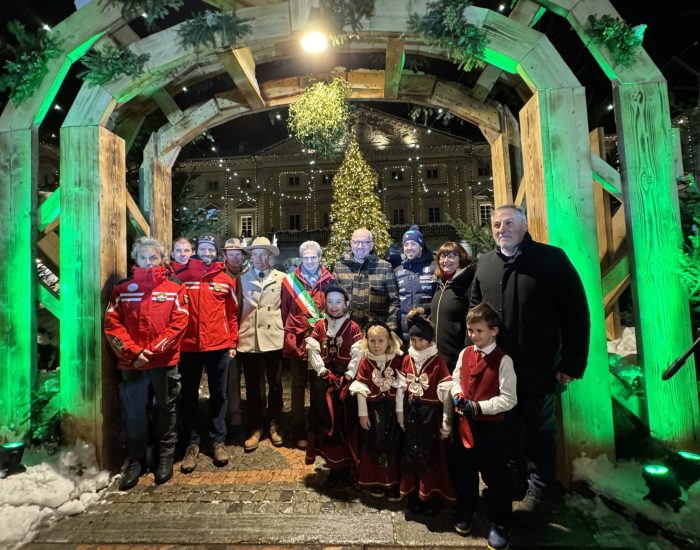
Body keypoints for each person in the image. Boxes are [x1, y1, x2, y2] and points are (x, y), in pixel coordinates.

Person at [470, 204, 590, 520]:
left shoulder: (552, 260)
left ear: (524, 225)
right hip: (499, 371)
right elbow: (475, 308)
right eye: (496, 224)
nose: (501, 229)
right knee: (506, 431)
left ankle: (540, 491)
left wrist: (572, 362)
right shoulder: (485, 264)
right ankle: (514, 484)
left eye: (508, 223)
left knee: (539, 432)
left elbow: (576, 314)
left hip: (539, 367)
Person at [103, 237, 189, 490]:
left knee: (166, 409)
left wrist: (152, 351)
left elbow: (179, 324)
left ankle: (165, 456)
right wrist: (132, 352)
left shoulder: (175, 287)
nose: (148, 262)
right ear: (135, 259)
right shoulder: (122, 289)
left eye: (153, 257)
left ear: (162, 259)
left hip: (163, 361)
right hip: (132, 364)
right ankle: (137, 458)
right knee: (135, 412)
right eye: (143, 257)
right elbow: (112, 323)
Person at [450, 303, 517, 550]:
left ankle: (500, 522)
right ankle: (466, 508)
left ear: (494, 331)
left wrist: (478, 408)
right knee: (464, 470)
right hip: (465, 426)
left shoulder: (503, 361)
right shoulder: (465, 354)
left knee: (496, 476)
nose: (473, 335)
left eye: (479, 330)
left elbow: (509, 398)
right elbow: (456, 378)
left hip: (490, 429)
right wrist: (457, 394)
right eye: (470, 330)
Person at [179, 235, 238, 473]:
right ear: (196, 251)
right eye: (202, 249)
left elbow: (232, 313)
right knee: (189, 396)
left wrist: (232, 342)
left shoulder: (226, 280)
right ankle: (191, 443)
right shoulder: (183, 278)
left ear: (216, 253)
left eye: (210, 249)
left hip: (218, 346)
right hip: (189, 347)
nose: (206, 253)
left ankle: (217, 440)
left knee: (219, 395)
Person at [396, 307, 455, 514]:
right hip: (412, 415)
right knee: (411, 455)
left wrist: (447, 420)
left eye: (421, 340)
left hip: (431, 417)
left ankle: (429, 495)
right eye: (413, 340)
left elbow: (447, 392)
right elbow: (401, 390)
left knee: (431, 457)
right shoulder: (406, 359)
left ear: (429, 340)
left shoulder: (438, 361)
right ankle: (413, 494)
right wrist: (400, 414)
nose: (417, 344)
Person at [305, 282, 363, 487]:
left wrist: (348, 376)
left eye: (338, 301)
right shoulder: (320, 326)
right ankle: (332, 465)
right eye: (330, 301)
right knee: (325, 422)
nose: (334, 305)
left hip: (345, 383)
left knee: (344, 424)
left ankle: (346, 467)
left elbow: (357, 355)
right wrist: (323, 372)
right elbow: (313, 350)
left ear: (346, 304)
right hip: (325, 381)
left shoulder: (353, 327)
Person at [281, 240, 335, 450]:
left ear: (320, 258)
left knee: (318, 387)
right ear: (301, 258)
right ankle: (298, 429)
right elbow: (284, 311)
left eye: (314, 257)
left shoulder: (329, 280)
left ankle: (315, 429)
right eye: (306, 257)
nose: (310, 261)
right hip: (298, 340)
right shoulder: (289, 282)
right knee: (297, 386)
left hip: (320, 343)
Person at [237, 236, 286, 452]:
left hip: (273, 337)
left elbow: (286, 307)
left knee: (275, 386)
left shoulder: (282, 278)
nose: (258, 258)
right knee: (253, 387)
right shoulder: (241, 278)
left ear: (269, 256)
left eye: (262, 254)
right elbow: (236, 308)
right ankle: (255, 427)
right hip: (249, 338)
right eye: (255, 254)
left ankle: (275, 425)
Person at [349, 321, 403, 500]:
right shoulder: (366, 361)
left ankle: (393, 483)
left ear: (388, 341)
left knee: (393, 446)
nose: (376, 345)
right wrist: (362, 414)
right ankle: (376, 481)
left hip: (392, 411)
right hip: (373, 411)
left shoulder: (396, 360)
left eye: (380, 340)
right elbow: (360, 388)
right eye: (372, 341)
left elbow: (402, 387)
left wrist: (400, 411)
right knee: (374, 445)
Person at [333, 228, 400, 331]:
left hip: (377, 332)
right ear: (351, 243)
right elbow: (333, 300)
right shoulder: (340, 267)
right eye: (356, 242)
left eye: (365, 242)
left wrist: (390, 329)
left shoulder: (384, 267)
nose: (360, 246)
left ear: (371, 245)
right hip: (347, 331)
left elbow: (394, 302)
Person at [430, 241, 475, 371]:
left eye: (451, 256)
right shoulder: (440, 285)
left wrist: (467, 353)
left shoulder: (467, 284)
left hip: (458, 358)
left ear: (461, 258)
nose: (446, 260)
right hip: (438, 357)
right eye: (442, 256)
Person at [222, 237, 248, 440]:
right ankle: (235, 416)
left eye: (239, 253)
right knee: (231, 377)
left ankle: (256, 415)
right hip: (228, 333)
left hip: (248, 332)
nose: (236, 257)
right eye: (231, 253)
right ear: (225, 256)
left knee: (254, 377)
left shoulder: (249, 274)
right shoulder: (220, 277)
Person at [394, 225, 436, 345]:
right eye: (406, 244)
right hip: (404, 335)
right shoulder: (397, 271)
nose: (409, 248)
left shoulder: (433, 268)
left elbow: (438, 300)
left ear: (421, 246)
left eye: (413, 244)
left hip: (427, 333)